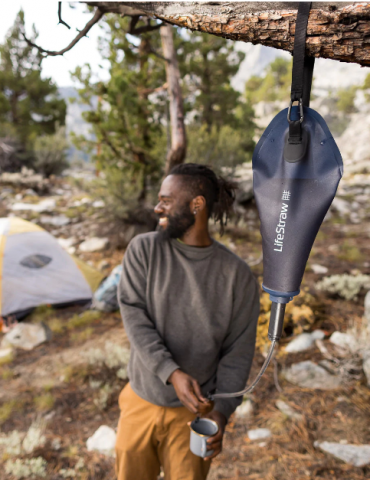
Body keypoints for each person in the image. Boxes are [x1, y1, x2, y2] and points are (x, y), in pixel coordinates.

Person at [115, 163, 260, 480]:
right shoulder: (145, 250)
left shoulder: (237, 277)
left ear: (197, 205)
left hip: (195, 416)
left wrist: (221, 412)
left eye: (166, 200)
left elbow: (238, 353)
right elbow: (134, 315)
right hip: (141, 399)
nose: (157, 207)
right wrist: (171, 372)